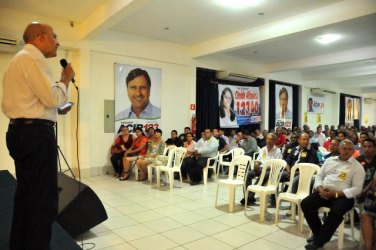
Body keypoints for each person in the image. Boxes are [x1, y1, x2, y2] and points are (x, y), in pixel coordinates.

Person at [1, 22, 75, 250]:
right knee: (43, 201)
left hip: (21, 132)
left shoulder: (19, 60)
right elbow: (52, 98)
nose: (58, 42)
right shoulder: (33, 59)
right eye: (55, 36)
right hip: (35, 136)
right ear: (41, 37)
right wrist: (65, 79)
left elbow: (31, 103)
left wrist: (53, 111)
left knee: (26, 196)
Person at [301, 139, 365, 250]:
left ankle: (318, 242)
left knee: (336, 212)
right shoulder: (330, 160)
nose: (346, 151)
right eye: (344, 148)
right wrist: (319, 188)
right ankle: (320, 234)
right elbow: (319, 176)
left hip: (343, 197)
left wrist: (336, 194)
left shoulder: (357, 167)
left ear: (353, 151)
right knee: (306, 203)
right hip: (324, 192)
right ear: (339, 149)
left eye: (350, 149)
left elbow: (357, 189)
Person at [241, 133, 282, 205]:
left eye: (271, 139)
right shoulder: (263, 149)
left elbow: (276, 165)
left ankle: (249, 197)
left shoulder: (277, 151)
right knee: (248, 174)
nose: (268, 141)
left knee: (263, 175)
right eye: (267, 139)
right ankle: (247, 195)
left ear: (274, 140)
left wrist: (264, 168)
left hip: (270, 170)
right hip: (260, 168)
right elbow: (258, 160)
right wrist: (256, 164)